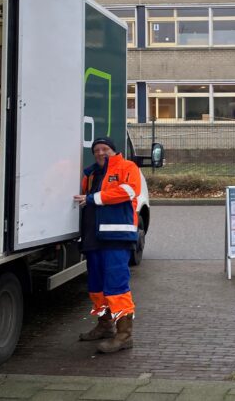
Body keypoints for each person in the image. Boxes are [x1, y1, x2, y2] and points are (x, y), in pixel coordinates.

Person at [73, 136, 141, 353]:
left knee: (117, 287)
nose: (100, 153)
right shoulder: (90, 173)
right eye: (96, 150)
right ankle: (105, 326)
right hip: (93, 238)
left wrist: (95, 198)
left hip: (116, 238)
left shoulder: (127, 167)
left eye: (105, 149)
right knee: (96, 288)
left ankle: (124, 335)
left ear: (114, 150)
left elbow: (129, 191)